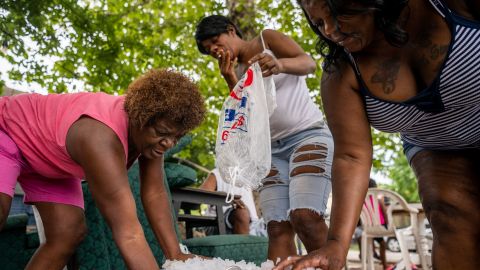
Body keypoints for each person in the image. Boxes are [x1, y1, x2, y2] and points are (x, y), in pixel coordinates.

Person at [275, 0, 480, 269]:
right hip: (434, 146)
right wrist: (336, 244)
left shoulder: (448, 7)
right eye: (318, 22)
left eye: (341, 14)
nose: (330, 30)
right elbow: (351, 156)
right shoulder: (340, 73)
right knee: (448, 212)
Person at [0, 69, 206, 269]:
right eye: (162, 133)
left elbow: (155, 193)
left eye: (176, 137)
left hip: (50, 159)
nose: (169, 143)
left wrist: (175, 254)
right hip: (9, 129)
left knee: (67, 232)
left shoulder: (151, 139)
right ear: (140, 118)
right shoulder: (100, 137)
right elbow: (129, 233)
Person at [195, 15, 334, 262]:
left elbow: (308, 63)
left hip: (307, 136)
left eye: (215, 41)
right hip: (270, 151)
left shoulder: (266, 38)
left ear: (231, 30)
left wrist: (279, 64)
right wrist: (229, 79)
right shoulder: (236, 70)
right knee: (277, 228)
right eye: (208, 50)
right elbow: (247, 117)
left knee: (305, 216)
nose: (214, 50)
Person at [200, 168, 259, 235]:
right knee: (242, 213)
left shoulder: (247, 177)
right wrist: (226, 197)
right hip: (219, 222)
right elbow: (201, 196)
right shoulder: (217, 172)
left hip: (253, 225)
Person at [353, 179, 387, 269]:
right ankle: (384, 265)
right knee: (382, 244)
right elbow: (385, 212)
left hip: (366, 228)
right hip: (377, 227)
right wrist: (388, 223)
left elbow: (357, 217)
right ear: (375, 187)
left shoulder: (360, 200)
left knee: (361, 233)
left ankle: (365, 256)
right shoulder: (379, 198)